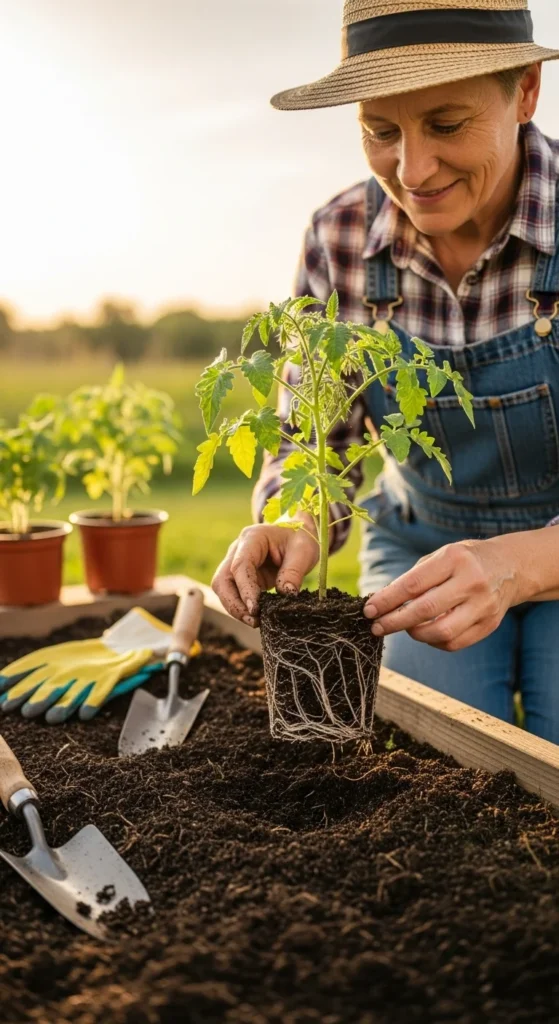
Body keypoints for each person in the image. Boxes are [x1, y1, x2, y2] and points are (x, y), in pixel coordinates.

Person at [212, 0, 559, 744]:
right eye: (379, 130)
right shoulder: (338, 238)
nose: (411, 169)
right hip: (419, 553)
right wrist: (295, 522)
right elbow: (315, 443)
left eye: (444, 124)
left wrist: (522, 563)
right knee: (427, 746)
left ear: (524, 90)